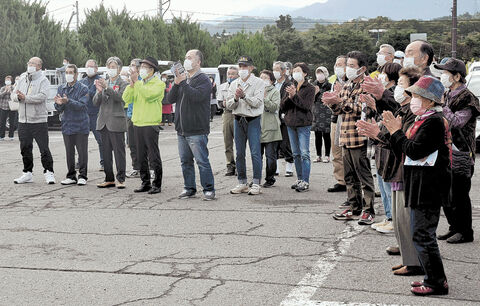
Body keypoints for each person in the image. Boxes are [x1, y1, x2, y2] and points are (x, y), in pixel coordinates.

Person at [383, 76, 451, 296]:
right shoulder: (425, 119)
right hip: (420, 183)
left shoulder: (434, 121)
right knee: (421, 233)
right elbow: (406, 149)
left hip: (428, 186)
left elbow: (413, 150)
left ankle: (436, 282)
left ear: (430, 101)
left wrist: (396, 131)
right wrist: (393, 134)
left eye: (417, 96)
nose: (413, 100)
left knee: (423, 235)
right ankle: (431, 277)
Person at [357, 67, 423, 275]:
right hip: (394, 169)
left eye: (402, 85)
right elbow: (390, 129)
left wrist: (381, 134)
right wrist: (378, 134)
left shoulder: (414, 113)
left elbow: (403, 141)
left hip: (404, 170)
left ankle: (414, 262)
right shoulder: (402, 109)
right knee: (398, 218)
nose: (397, 89)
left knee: (406, 219)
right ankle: (407, 257)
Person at [323, 51, 376, 225]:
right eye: (348, 65)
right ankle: (354, 207)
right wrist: (333, 103)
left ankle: (369, 210)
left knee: (364, 175)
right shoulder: (348, 85)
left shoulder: (368, 85)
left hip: (359, 136)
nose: (348, 69)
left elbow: (362, 109)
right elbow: (340, 111)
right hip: (345, 135)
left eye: (352, 66)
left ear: (362, 68)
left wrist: (340, 103)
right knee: (349, 176)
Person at [435, 58, 480, 243]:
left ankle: (465, 231)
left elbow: (457, 123)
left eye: (446, 73)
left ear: (457, 76)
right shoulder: (447, 94)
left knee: (460, 194)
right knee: (447, 193)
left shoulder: (467, 97)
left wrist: (441, 107)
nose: (443, 76)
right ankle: (454, 227)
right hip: (446, 151)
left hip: (461, 152)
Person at [166, 49, 215, 201]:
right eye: (185, 57)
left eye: (190, 57)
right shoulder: (183, 79)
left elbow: (196, 97)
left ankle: (208, 189)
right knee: (185, 161)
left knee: (201, 161)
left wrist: (184, 84)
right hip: (182, 128)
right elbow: (170, 99)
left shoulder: (203, 79)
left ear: (198, 62)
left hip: (197, 129)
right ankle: (189, 187)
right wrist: (176, 83)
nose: (186, 60)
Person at [123, 56, 165, 195]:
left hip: (150, 123)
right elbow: (126, 99)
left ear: (152, 70)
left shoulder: (158, 84)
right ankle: (145, 182)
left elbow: (148, 95)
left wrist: (137, 83)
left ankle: (157, 184)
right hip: (138, 123)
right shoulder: (139, 84)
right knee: (141, 156)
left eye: (145, 67)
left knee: (153, 155)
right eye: (141, 67)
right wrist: (131, 85)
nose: (141, 70)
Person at [11, 57, 55, 184]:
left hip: (38, 120)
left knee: (43, 148)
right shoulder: (22, 77)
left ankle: (49, 172)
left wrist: (26, 98)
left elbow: (42, 96)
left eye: (33, 63)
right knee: (25, 147)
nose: (29, 65)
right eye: (29, 63)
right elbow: (13, 94)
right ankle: (27, 173)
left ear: (39, 66)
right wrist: (18, 98)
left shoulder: (43, 80)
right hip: (23, 120)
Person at [226, 56, 265, 195]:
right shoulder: (234, 83)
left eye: (245, 66)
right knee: (239, 153)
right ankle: (242, 181)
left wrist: (244, 97)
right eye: (240, 66)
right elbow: (229, 104)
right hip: (238, 119)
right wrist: (236, 98)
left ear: (251, 68)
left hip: (252, 120)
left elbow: (258, 102)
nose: (242, 69)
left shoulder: (259, 82)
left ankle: (256, 182)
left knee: (255, 152)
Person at [93, 56, 128, 189]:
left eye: (114, 67)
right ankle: (109, 178)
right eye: (109, 67)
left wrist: (107, 88)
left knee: (119, 152)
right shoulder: (104, 82)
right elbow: (95, 102)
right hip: (103, 122)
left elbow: (121, 98)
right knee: (106, 152)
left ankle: (121, 178)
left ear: (119, 69)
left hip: (116, 121)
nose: (111, 69)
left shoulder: (123, 83)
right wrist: (99, 91)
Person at [280, 62, 315, 192]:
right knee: (295, 154)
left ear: (305, 73)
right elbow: (283, 106)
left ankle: (305, 181)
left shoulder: (310, 88)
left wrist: (295, 96)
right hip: (290, 123)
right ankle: (299, 178)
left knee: (304, 153)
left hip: (303, 124)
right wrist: (290, 97)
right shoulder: (290, 86)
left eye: (298, 71)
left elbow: (306, 106)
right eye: (294, 71)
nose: (295, 73)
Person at [54, 64, 89, 186]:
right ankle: (71, 175)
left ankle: (83, 176)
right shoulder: (61, 88)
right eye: (67, 72)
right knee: (69, 152)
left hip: (80, 125)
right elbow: (59, 108)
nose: (68, 75)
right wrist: (59, 103)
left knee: (82, 152)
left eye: (71, 72)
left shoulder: (83, 88)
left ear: (76, 74)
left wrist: (68, 101)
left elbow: (82, 105)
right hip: (67, 124)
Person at [78, 59, 104, 171]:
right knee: (81, 140)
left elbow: (99, 96)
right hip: (84, 114)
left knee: (101, 140)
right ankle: (80, 162)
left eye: (91, 66)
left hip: (96, 114)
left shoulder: (100, 80)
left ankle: (104, 162)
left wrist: (89, 92)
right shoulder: (82, 81)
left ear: (96, 68)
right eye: (87, 66)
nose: (89, 68)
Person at [328, 55, 348, 194]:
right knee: (336, 152)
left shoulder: (353, 81)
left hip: (348, 120)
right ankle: (341, 180)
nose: (337, 67)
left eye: (340, 64)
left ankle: (352, 180)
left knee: (348, 152)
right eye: (336, 64)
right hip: (335, 119)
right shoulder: (334, 81)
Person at [259, 70, 282, 188]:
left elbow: (274, 107)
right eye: (261, 77)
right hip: (257, 127)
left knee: (270, 156)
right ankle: (256, 179)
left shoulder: (275, 91)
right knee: (257, 156)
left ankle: (270, 178)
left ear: (271, 80)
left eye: (265, 78)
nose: (262, 80)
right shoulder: (256, 90)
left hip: (271, 127)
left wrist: (264, 98)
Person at [272, 61, 294, 177]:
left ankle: (289, 165)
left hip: (284, 117)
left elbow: (287, 101)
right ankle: (275, 168)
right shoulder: (272, 84)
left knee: (285, 143)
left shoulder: (289, 84)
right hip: (273, 118)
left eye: (277, 70)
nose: (275, 72)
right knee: (274, 144)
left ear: (284, 71)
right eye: (273, 69)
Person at [217, 66, 239, 176]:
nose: (230, 76)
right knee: (227, 142)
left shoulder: (240, 86)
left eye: (233, 74)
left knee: (239, 142)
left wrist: (229, 102)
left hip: (238, 114)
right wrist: (225, 104)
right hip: (227, 114)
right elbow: (220, 103)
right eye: (229, 74)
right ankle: (230, 165)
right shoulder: (222, 87)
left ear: (237, 75)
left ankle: (240, 165)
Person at [125, 58, 142, 178]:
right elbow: (126, 98)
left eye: (133, 66)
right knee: (132, 144)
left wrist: (136, 84)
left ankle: (149, 168)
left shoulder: (143, 81)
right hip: (130, 115)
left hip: (142, 117)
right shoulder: (130, 81)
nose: (130, 68)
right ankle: (136, 167)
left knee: (144, 145)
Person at [312, 66, 332, 163]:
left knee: (326, 134)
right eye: (318, 73)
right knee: (317, 134)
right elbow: (311, 100)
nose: (319, 75)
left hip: (327, 111)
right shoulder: (313, 85)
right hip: (316, 111)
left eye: (321, 72)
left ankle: (327, 155)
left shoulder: (329, 85)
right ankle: (318, 155)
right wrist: (315, 93)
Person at [0, 75, 17, 140]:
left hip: (12, 107)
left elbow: (15, 96)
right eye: (6, 80)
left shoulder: (14, 88)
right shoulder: (2, 88)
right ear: (5, 81)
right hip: (3, 107)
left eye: (9, 80)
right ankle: (1, 136)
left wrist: (10, 91)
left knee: (12, 122)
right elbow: (0, 96)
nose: (7, 81)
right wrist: (5, 91)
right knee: (2, 122)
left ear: (11, 81)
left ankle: (11, 136)